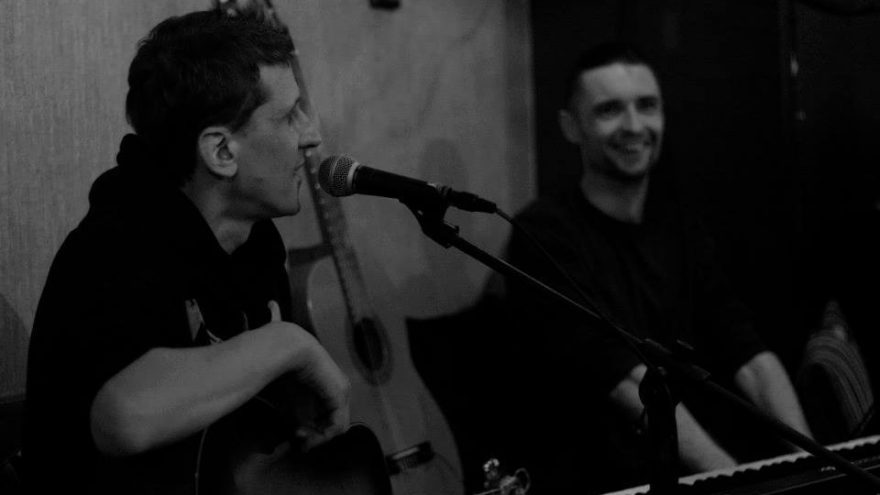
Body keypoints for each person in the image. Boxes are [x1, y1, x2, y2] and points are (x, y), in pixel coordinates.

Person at [23, 9, 351, 494]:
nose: (312, 135)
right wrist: (289, 344)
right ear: (221, 152)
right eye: (289, 116)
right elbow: (124, 418)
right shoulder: (115, 246)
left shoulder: (256, 242)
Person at [503, 42, 813, 493]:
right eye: (609, 110)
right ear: (571, 126)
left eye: (647, 106)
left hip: (688, 474)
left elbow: (748, 354)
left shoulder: (680, 224)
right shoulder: (543, 234)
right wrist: (735, 481)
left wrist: (814, 467)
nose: (634, 126)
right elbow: (625, 381)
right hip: (600, 480)